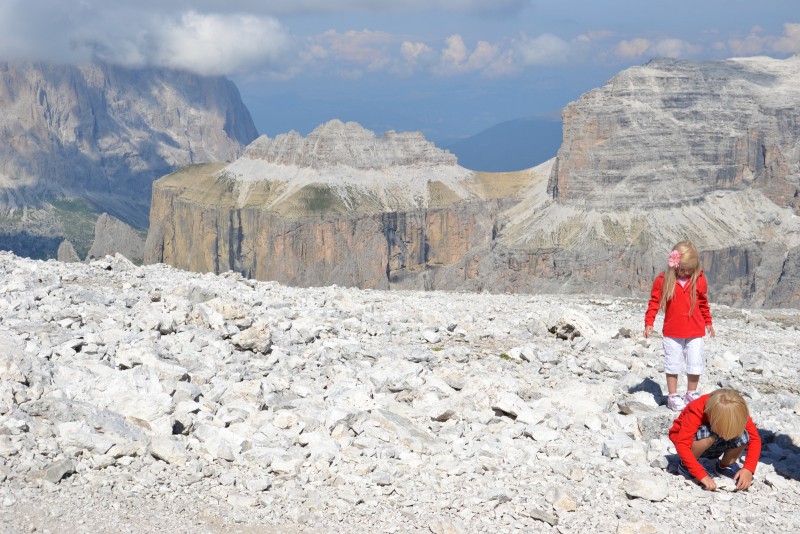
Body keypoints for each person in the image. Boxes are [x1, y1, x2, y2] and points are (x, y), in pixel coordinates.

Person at [643, 241, 715, 411]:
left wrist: (708, 322)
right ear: (674, 264)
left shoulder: (700, 280)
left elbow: (704, 303)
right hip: (672, 331)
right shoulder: (663, 280)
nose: (685, 273)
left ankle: (691, 392)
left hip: (695, 330)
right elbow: (654, 302)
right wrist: (649, 322)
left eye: (689, 269)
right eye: (682, 269)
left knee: (695, 362)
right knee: (672, 363)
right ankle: (673, 395)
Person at [669, 388, 761, 491]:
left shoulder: (737, 410)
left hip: (717, 439)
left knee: (744, 434)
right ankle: (686, 466)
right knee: (707, 434)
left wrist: (748, 468)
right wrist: (701, 475)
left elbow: (755, 439)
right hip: (695, 443)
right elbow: (682, 444)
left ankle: (726, 465)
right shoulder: (696, 409)